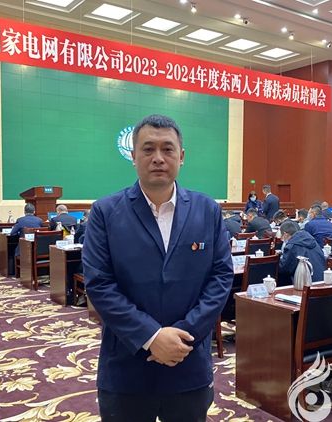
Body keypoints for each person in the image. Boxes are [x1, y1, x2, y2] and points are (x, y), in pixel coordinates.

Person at [82, 115, 233, 421]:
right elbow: (99, 284)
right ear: (133, 156)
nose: (158, 158)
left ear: (182, 156)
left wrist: (184, 336)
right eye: (148, 149)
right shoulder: (105, 212)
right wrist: (151, 337)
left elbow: (220, 277)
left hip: (188, 364)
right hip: (127, 367)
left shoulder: (207, 210)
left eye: (167, 149)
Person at [278, 220, 325, 285]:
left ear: (285, 234)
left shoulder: (292, 245)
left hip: (306, 284)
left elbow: (284, 268)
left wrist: (278, 259)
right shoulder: (312, 240)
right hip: (322, 280)